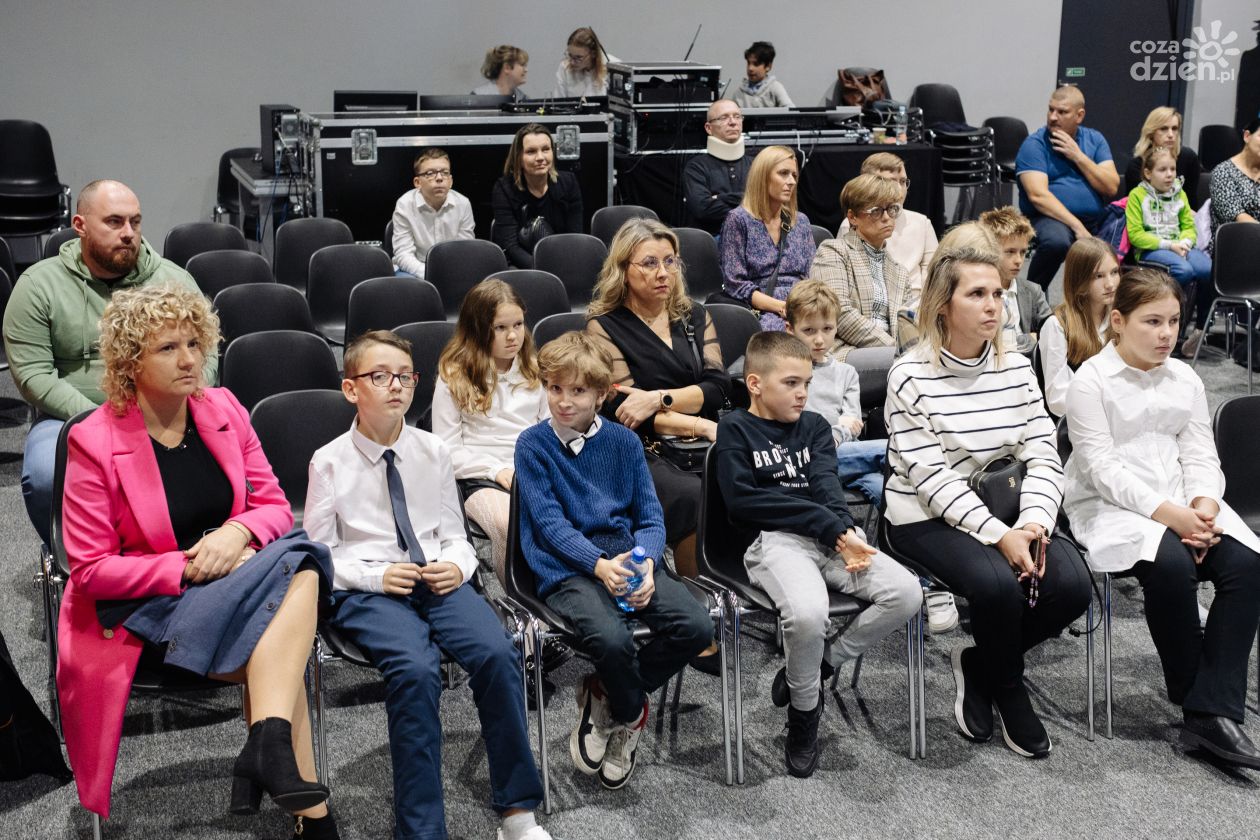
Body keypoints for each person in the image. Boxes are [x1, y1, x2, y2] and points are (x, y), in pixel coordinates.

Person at [57, 284, 334, 835]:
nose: (189, 360)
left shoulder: (223, 408)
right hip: (150, 607)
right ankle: (300, 798)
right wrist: (185, 566)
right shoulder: (93, 440)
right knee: (292, 604)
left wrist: (236, 532)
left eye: (193, 344)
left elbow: (275, 507)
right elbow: (89, 571)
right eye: (168, 348)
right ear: (130, 361)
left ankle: (271, 749)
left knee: (301, 556)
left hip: (232, 582)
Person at [305, 330, 551, 840]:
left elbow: (455, 536)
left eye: (405, 376)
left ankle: (517, 813)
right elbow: (320, 553)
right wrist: (375, 575)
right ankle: (421, 830)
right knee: (416, 672)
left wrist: (458, 567)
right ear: (351, 389)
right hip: (368, 591)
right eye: (380, 376)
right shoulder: (328, 461)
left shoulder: (433, 450)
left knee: (497, 653)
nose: (396, 386)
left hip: (436, 577)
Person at [883, 246, 1092, 759]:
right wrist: (1001, 537)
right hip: (924, 513)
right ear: (942, 305)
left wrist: (1035, 522)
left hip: (1012, 507)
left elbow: (1043, 452)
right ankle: (1009, 687)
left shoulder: (1016, 367)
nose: (993, 304)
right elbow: (931, 479)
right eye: (977, 294)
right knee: (998, 587)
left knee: (1072, 587)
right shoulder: (909, 375)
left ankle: (981, 665)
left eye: (997, 293)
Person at [1063, 269, 1260, 770]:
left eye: (1173, 321)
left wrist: (1204, 506)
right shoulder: (1091, 381)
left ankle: (1207, 711)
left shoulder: (1185, 378)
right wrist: (1174, 517)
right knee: (1172, 567)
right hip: (1111, 505)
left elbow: (1200, 453)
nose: (1167, 334)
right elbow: (1102, 470)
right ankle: (1205, 708)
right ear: (1118, 321)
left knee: (1247, 566)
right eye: (1152, 322)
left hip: (1185, 499)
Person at [716, 329, 920, 777]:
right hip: (774, 541)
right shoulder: (735, 428)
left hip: (829, 537)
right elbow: (745, 502)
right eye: (791, 382)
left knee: (907, 593)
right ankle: (804, 712)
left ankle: (823, 663)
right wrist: (833, 529)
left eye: (806, 383)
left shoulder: (814, 428)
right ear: (755, 384)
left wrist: (846, 532)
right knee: (809, 615)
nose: (802, 393)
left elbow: (827, 485)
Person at [514, 331, 713, 790]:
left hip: (626, 557)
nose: (564, 401)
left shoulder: (624, 442)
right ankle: (630, 713)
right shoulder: (532, 444)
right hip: (566, 567)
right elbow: (550, 526)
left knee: (697, 627)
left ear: (602, 395)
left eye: (578, 390)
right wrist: (599, 566)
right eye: (555, 388)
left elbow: (649, 516)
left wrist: (646, 564)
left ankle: (605, 694)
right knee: (612, 639)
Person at [3, 179, 214, 548]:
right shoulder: (38, 285)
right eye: (114, 222)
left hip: (168, 412)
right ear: (80, 225)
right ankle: (77, 560)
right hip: (72, 416)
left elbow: (206, 355)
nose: (128, 233)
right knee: (45, 474)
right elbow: (34, 375)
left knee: (223, 457)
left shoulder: (172, 281)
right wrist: (99, 421)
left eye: (135, 221)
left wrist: (178, 404)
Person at [585, 219, 731, 584]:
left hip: (703, 440)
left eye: (670, 261)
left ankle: (744, 581)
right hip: (642, 449)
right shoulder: (603, 327)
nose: (663, 272)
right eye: (650, 263)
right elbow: (627, 413)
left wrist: (657, 398)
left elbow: (718, 387)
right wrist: (701, 423)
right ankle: (700, 594)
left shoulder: (694, 315)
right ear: (623, 270)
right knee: (693, 496)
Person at [432, 279, 548, 583]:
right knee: (509, 524)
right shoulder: (454, 376)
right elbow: (447, 450)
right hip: (480, 476)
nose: (513, 336)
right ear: (478, 329)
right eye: (500, 328)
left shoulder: (536, 370)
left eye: (518, 325)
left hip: (531, 468)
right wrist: (496, 470)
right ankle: (519, 596)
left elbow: (551, 430)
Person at [783, 279, 886, 505]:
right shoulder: (787, 373)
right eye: (809, 330)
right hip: (808, 458)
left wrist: (837, 433)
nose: (819, 339)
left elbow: (854, 423)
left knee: (887, 491)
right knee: (891, 450)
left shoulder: (847, 373)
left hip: (846, 457)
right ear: (790, 329)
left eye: (827, 329)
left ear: (837, 327)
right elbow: (799, 428)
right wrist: (837, 426)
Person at [1016, 85, 1121, 292]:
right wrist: (1077, 226)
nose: (1053, 117)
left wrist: (1078, 156)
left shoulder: (1095, 140)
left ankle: (1106, 302)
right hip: (1048, 217)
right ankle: (1032, 294)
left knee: (1125, 239)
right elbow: (1038, 196)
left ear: (1079, 116)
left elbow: (1111, 187)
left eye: (1062, 112)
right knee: (1057, 242)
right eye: (1051, 109)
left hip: (1094, 220)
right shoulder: (1034, 145)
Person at [808, 173, 913, 361]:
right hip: (845, 351)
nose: (887, 217)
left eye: (892, 209)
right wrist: (897, 350)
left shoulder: (899, 272)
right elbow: (839, 313)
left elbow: (906, 325)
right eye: (876, 211)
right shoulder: (833, 251)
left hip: (893, 354)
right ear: (853, 217)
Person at [718, 145, 816, 330]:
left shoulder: (800, 221)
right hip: (762, 308)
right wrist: (782, 307)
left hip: (803, 304)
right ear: (762, 176)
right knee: (783, 332)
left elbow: (813, 274)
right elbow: (735, 285)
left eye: (794, 175)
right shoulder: (738, 220)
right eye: (783, 173)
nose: (791, 181)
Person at [1126, 146, 1213, 350]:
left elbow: (1189, 226)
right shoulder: (1137, 196)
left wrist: (1185, 243)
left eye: (1172, 169)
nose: (1169, 175)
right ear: (1148, 173)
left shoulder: (1179, 194)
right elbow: (1136, 235)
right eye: (1162, 170)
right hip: (1152, 249)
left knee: (1207, 269)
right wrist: (1169, 246)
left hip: (1180, 246)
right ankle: (1173, 328)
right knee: (1184, 270)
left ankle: (1201, 330)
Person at [839, 152, 938, 303]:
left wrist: (924, 308)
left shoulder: (921, 222)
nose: (899, 188)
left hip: (916, 303)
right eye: (890, 181)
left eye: (903, 181)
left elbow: (933, 273)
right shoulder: (854, 224)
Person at [1037, 238, 1120, 417]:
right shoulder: (1058, 325)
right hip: (1079, 422)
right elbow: (1057, 399)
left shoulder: (1121, 318)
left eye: (1114, 272)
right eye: (1099, 276)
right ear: (1079, 280)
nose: (1110, 284)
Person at [491, 123, 584, 269]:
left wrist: (561, 267)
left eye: (546, 149)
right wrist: (543, 270)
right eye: (531, 152)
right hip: (520, 266)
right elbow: (511, 247)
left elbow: (574, 238)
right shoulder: (504, 189)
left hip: (562, 261)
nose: (540, 157)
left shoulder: (569, 183)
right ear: (518, 158)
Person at [390, 148, 475, 280]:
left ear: (451, 181)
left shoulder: (463, 204)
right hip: (415, 269)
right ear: (417, 182)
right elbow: (403, 254)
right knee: (404, 282)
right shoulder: (404, 204)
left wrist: (450, 274)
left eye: (445, 173)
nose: (439, 178)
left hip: (453, 268)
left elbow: (464, 251)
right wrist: (430, 274)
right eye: (430, 173)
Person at [977, 206, 1052, 353]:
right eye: (1010, 252)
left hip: (1027, 364)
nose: (1018, 260)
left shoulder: (1033, 291)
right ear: (989, 250)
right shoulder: (977, 292)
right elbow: (987, 342)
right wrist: (1029, 338)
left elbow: (1052, 332)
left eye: (1023, 252)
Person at [683, 99, 753, 235]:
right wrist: (748, 204)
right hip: (712, 238)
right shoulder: (696, 167)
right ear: (708, 128)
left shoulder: (756, 164)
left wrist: (720, 198)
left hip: (752, 237)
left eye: (737, 116)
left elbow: (766, 204)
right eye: (724, 118)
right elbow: (702, 209)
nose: (733, 122)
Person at [1123, 106, 1202, 205]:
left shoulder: (1189, 158)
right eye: (1164, 129)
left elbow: (1191, 202)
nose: (1170, 134)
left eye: (1174, 128)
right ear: (1151, 132)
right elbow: (1137, 205)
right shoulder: (1137, 165)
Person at [551, 27, 617, 98]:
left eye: (578, 57)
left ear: (593, 54)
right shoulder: (565, 67)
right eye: (570, 55)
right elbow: (558, 101)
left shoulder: (614, 67)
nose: (572, 62)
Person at [733, 41, 794, 108]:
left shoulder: (775, 87)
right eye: (748, 63)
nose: (750, 68)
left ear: (768, 66)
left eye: (756, 64)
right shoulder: (739, 93)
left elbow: (790, 110)